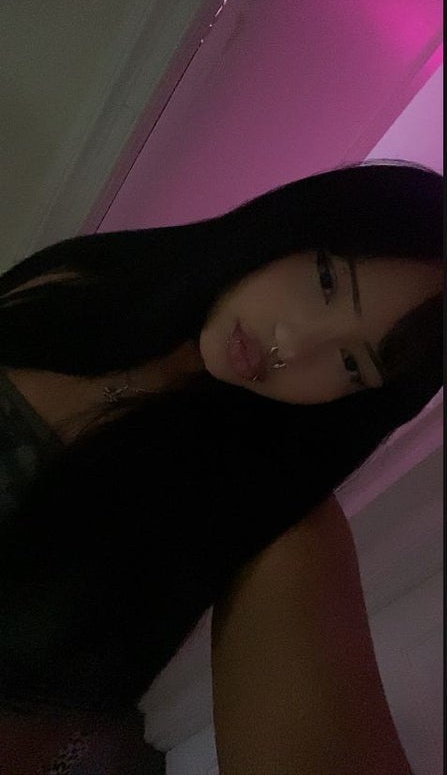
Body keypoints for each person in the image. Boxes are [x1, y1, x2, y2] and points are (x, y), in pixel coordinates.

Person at [0, 159, 442, 772]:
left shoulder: (273, 514)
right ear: (295, 226)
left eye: (351, 364)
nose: (291, 345)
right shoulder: (90, 278)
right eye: (325, 281)